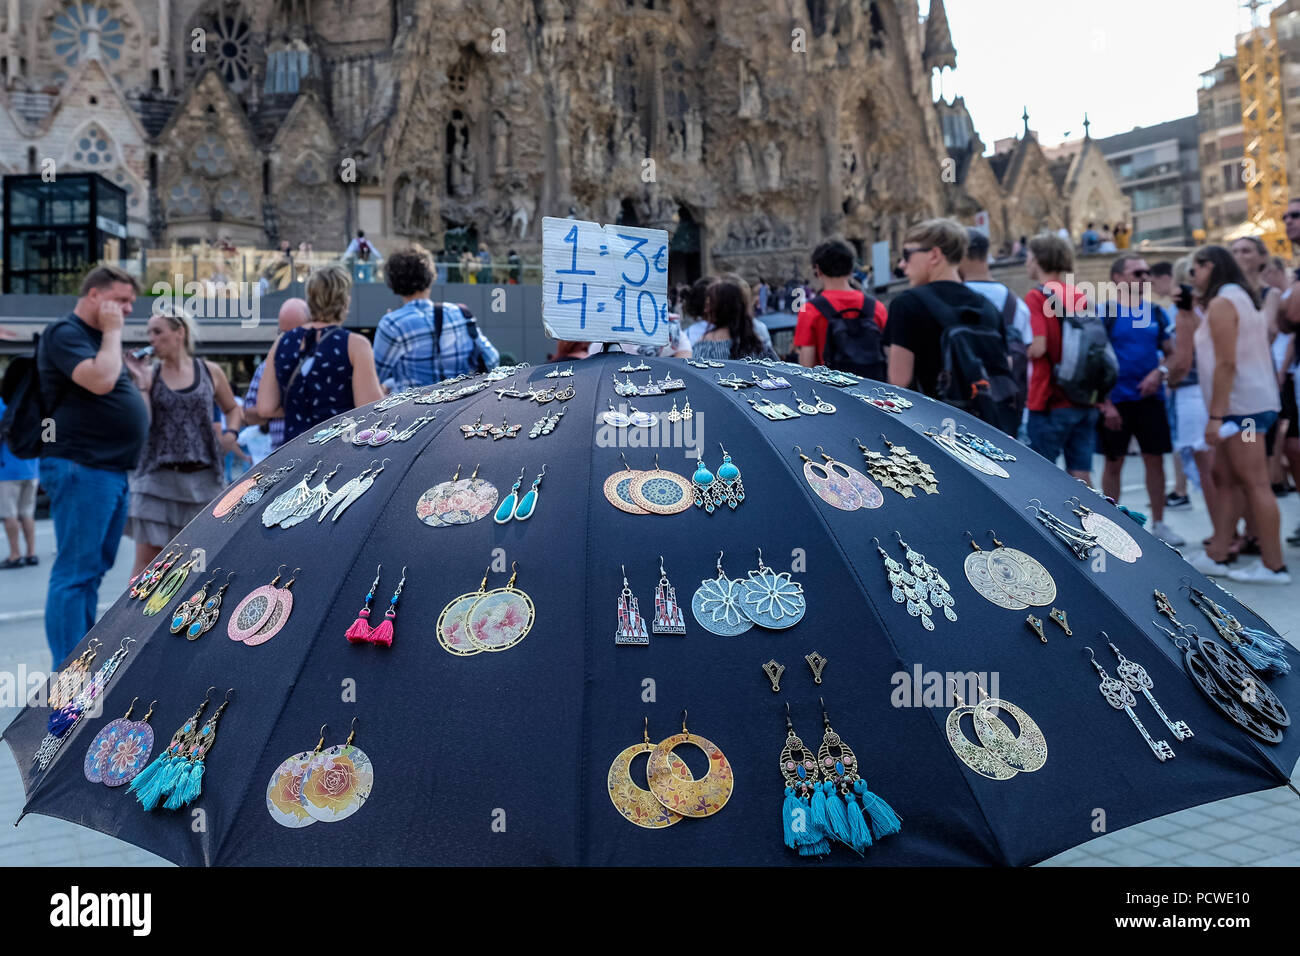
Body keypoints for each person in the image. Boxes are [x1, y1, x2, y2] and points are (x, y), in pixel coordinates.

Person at [37, 266, 149, 663]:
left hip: (110, 469)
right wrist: (114, 332)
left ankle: (80, 659)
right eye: (121, 300)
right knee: (75, 572)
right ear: (94, 296)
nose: (128, 310)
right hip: (81, 465)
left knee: (93, 570)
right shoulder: (65, 333)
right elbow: (100, 381)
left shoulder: (100, 341)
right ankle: (69, 673)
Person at [1186, 246, 1288, 583]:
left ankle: (1274, 566)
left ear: (1210, 267)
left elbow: (1227, 363)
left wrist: (1215, 416)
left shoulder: (1224, 302)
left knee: (1254, 481)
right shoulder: (1238, 297)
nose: (1192, 278)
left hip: (1243, 410)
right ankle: (1218, 553)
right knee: (1224, 476)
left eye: (1194, 271)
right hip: (1244, 407)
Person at [124, 304, 244, 576]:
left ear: (180, 332)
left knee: (201, 565)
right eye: (149, 333)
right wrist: (141, 383)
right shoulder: (150, 375)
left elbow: (233, 408)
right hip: (157, 481)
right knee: (147, 569)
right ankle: (137, 620)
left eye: (157, 332)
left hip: (203, 482)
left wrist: (231, 434)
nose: (151, 339)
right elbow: (143, 423)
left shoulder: (209, 371)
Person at [1094, 254, 1182, 545]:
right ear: (1118, 278)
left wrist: (1160, 372)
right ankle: (1114, 525)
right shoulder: (1105, 313)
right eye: (1137, 273)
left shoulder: (1157, 313)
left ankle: (1159, 523)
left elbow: (1172, 353)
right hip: (1115, 401)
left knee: (1154, 461)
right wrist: (1105, 403)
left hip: (1150, 399)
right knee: (1114, 463)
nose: (1145, 278)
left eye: (1146, 273)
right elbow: (1092, 359)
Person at [883, 219, 1010, 416]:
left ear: (934, 255)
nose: (902, 265)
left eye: (907, 255)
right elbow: (1004, 369)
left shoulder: (907, 304)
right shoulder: (988, 307)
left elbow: (899, 381)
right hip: (984, 426)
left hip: (931, 425)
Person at [256, 264, 385, 443]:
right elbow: (370, 409)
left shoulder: (283, 342)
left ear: (310, 298)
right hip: (339, 451)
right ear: (344, 301)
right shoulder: (355, 345)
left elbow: (265, 408)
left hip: (294, 452)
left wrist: (301, 408)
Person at [1022, 234, 1097, 482]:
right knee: (1081, 472)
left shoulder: (1036, 296)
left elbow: (1039, 347)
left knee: (1042, 475)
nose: (1026, 263)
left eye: (1029, 257)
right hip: (1083, 398)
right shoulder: (1078, 294)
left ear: (1040, 259)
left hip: (1049, 398)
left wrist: (1019, 348)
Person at [373, 246, 500, 390]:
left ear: (392, 282)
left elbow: (373, 378)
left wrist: (393, 384)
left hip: (416, 410)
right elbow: (492, 358)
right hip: (460, 405)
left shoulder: (391, 324)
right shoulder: (460, 313)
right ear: (431, 276)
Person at [961, 228, 1032, 423]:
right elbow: (1027, 352)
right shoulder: (1017, 304)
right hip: (1006, 405)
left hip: (958, 408)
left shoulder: (949, 299)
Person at [794, 239, 888, 376]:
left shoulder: (809, 310)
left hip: (830, 393)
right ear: (851, 269)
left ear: (818, 270)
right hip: (873, 392)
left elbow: (806, 367)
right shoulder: (877, 307)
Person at [242, 298, 310, 452]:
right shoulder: (266, 366)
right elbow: (249, 415)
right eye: (283, 333)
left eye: (295, 333)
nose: (288, 340)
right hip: (281, 455)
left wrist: (274, 408)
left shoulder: (319, 362)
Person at [688, 279, 780, 362]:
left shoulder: (704, 348)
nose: (706, 310)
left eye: (709, 305)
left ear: (720, 308)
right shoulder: (758, 345)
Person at [0, 395, 39, 568]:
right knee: (27, 513)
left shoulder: (2, 405)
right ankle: (31, 553)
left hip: (7, 468)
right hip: (31, 467)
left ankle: (15, 555)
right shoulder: (31, 403)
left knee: (9, 514)